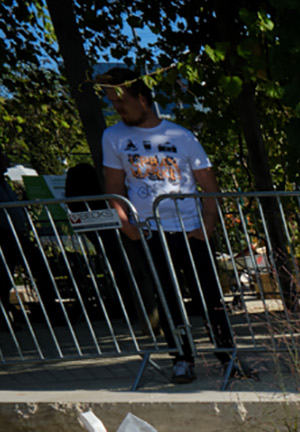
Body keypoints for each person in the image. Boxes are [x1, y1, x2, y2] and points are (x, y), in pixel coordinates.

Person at [97, 66, 239, 385]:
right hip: (150, 231)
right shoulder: (113, 137)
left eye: (121, 101)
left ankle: (227, 354)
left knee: (209, 294)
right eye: (111, 102)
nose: (116, 108)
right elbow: (114, 187)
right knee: (168, 296)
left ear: (143, 99)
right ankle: (182, 358)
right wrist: (126, 225)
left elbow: (208, 183)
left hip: (190, 228)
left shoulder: (180, 136)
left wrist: (207, 224)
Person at [0, 142, 65, 326]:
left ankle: (44, 309)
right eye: (0, 156)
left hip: (15, 231)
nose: (4, 160)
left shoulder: (2, 181)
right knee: (11, 270)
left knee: (22, 269)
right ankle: (7, 313)